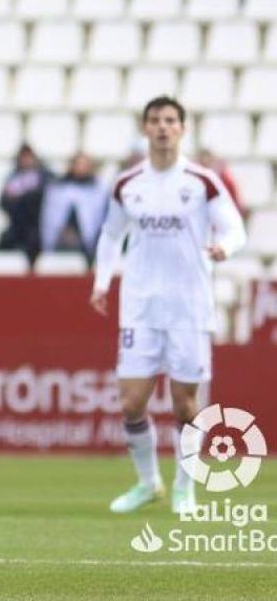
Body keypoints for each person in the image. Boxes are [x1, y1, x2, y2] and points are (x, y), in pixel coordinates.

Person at [91, 96, 246, 515]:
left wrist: (225, 248)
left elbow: (236, 228)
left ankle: (184, 488)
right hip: (140, 306)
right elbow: (110, 236)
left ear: (182, 129)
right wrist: (102, 281)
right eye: (156, 120)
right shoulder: (128, 184)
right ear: (145, 129)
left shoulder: (201, 181)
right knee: (131, 403)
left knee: (184, 403)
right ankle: (148, 483)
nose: (163, 127)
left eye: (171, 120)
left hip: (189, 307)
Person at [40, 152, 109, 264]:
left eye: (84, 165)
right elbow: (50, 219)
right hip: (59, 242)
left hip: (88, 245)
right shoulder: (57, 189)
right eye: (78, 164)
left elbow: (99, 220)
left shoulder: (100, 190)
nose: (80, 168)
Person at [0, 144, 51, 264]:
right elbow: (3, 202)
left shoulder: (45, 176)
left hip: (38, 224)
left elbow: (45, 200)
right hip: (17, 224)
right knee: (4, 242)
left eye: (28, 157)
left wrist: (22, 198)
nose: (26, 161)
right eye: (23, 157)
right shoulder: (12, 178)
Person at [195, 147, 247, 218]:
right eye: (202, 159)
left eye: (206, 158)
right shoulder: (194, 177)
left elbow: (233, 193)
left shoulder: (223, 176)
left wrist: (238, 208)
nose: (205, 161)